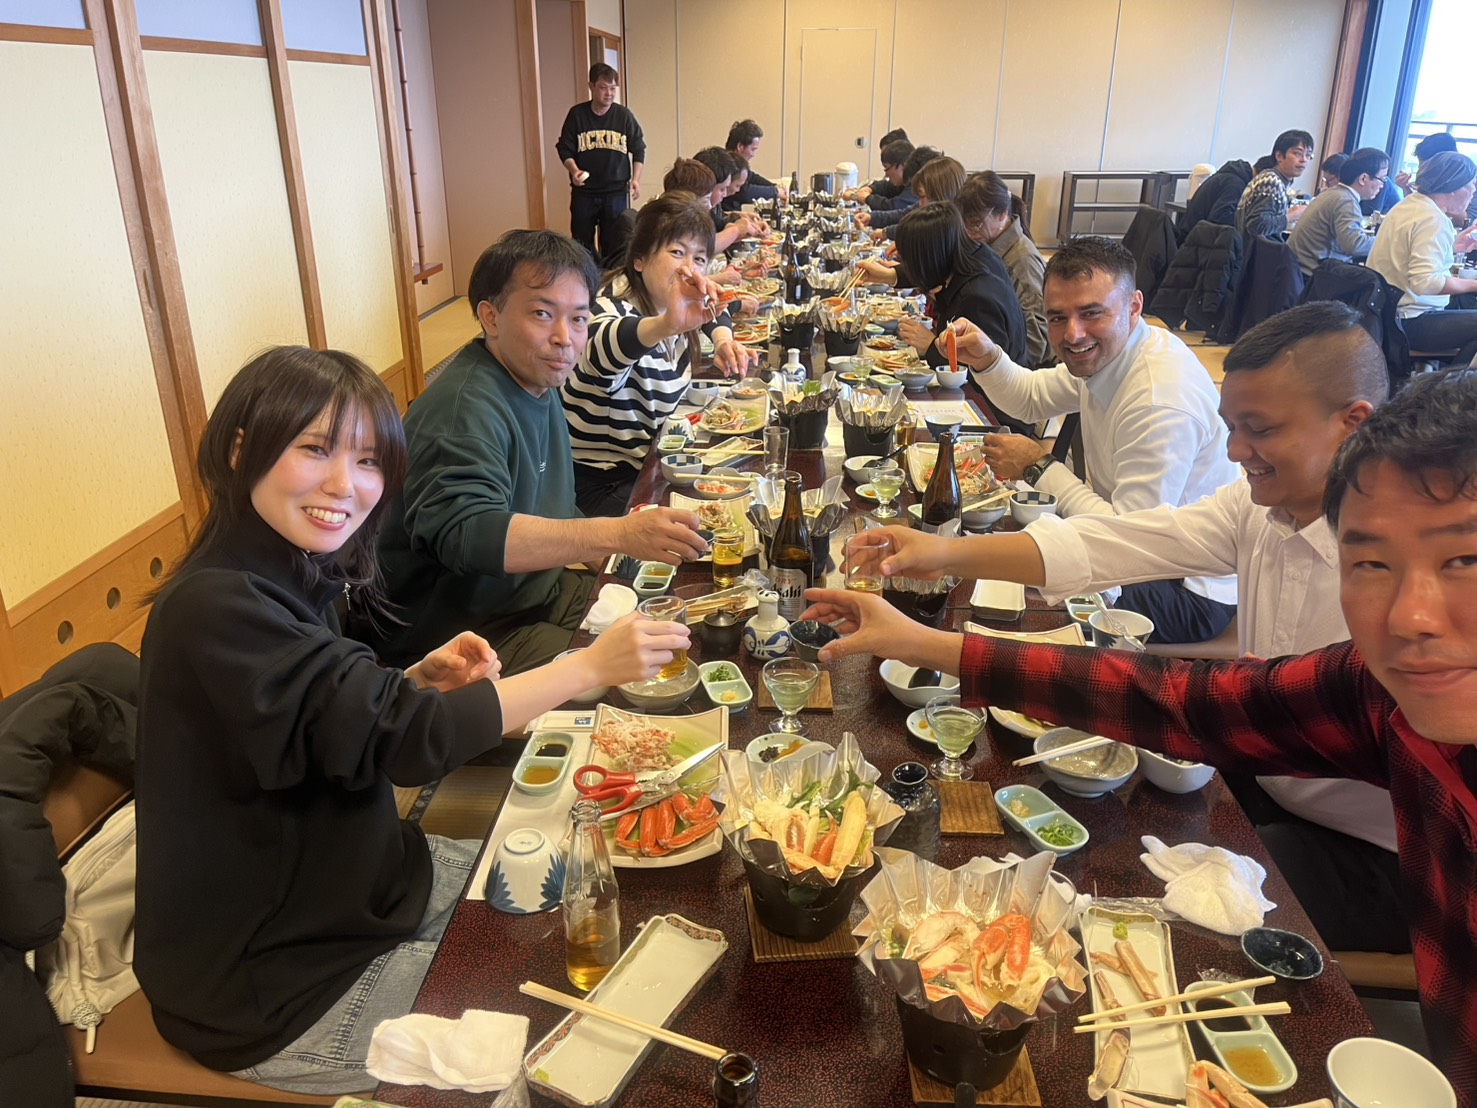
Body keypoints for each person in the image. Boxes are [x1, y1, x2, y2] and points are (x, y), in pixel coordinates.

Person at [803, 368, 1477, 1105]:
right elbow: (1176, 698)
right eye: (1372, 563)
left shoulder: (1159, 394)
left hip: (1357, 849)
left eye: (1463, 560)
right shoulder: (1379, 694)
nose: (1411, 616)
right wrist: (924, 641)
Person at [133, 346, 687, 1094]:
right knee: (577, 1049)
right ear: (240, 450)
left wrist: (408, 680)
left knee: (604, 900)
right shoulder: (214, 605)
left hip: (370, 886)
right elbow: (407, 744)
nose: (346, 485)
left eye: (368, 461)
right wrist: (587, 668)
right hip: (280, 982)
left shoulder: (284, 569)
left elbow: (320, 722)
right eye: (315, 449)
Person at [853, 302, 1404, 952]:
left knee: (1156, 914)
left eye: (1258, 430)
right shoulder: (1260, 504)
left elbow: (1197, 703)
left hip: (1372, 846)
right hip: (1253, 769)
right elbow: (1117, 542)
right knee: (1085, 841)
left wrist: (929, 643)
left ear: (1351, 424)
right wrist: (943, 552)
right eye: (1231, 428)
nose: (1233, 452)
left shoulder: (1398, 579)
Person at [374, 230, 707, 674]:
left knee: (680, 620)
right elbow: (470, 536)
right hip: (465, 638)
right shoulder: (462, 412)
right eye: (542, 313)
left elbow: (554, 507)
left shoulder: (538, 381)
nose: (564, 338)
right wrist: (618, 533)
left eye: (578, 319)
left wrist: (623, 555)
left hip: (535, 593)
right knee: (639, 678)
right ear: (491, 317)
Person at [948, 236, 1240, 642]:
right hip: (1135, 548)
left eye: (1091, 313)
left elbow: (1124, 543)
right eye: (1057, 318)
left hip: (1186, 588)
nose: (1073, 334)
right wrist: (987, 357)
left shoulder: (1159, 398)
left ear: (1133, 307)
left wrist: (1038, 466)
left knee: (1022, 595)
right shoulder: (1114, 352)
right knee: (997, 564)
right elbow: (1031, 398)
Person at [563, 194, 753, 515]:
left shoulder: (666, 302)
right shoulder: (609, 307)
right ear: (639, 259)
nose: (689, 269)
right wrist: (667, 325)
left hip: (650, 465)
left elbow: (715, 310)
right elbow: (603, 346)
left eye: (699, 258)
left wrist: (722, 340)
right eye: (677, 252)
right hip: (602, 487)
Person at [1367, 151, 1477, 367]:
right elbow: (1426, 283)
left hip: (1384, 315)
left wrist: (1452, 246)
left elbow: (1409, 254)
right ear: (1453, 186)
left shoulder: (1410, 205)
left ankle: (1443, 380)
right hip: (1409, 321)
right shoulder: (1433, 218)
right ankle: (1448, 385)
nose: (1473, 191)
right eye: (1471, 184)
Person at [892, 202, 1027, 371]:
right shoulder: (977, 255)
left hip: (994, 386)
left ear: (928, 259)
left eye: (907, 260)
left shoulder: (975, 299)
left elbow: (979, 371)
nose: (906, 266)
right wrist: (891, 275)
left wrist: (930, 345)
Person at [956, 170, 1049, 367]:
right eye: (965, 225)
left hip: (1018, 369)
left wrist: (991, 362)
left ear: (1002, 214)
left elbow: (1036, 343)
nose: (969, 234)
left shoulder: (1022, 261)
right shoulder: (989, 247)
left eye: (975, 224)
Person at [556, 63, 645, 263]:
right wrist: (574, 170)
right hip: (584, 192)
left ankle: (609, 278)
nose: (609, 93)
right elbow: (564, 148)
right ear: (592, 86)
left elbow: (639, 148)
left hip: (615, 192)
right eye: (603, 88)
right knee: (581, 243)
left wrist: (636, 179)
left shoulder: (624, 116)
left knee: (614, 242)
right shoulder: (577, 115)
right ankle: (586, 278)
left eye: (613, 88)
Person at [1288, 147, 1388, 277]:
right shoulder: (1346, 200)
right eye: (1382, 179)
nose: (1382, 185)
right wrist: (1387, 243)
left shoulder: (1332, 193)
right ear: (1363, 178)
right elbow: (1354, 245)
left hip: (1296, 270)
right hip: (1313, 276)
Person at [1235, 129, 1315, 239]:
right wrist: (1292, 215)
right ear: (1279, 156)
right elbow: (1257, 225)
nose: (1304, 160)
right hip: (1251, 249)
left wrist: (1287, 214)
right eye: (1298, 153)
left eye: (1308, 155)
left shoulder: (1276, 179)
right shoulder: (1271, 181)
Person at [857, 144, 940, 233]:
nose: (919, 201)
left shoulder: (943, 217)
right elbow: (904, 214)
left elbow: (915, 228)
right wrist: (872, 218)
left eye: (922, 195)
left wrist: (887, 232)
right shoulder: (929, 198)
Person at [1176, 158, 1254, 242]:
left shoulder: (1225, 176)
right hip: (1194, 242)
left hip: (1189, 235)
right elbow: (1220, 217)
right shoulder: (1236, 184)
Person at [723, 118, 782, 205]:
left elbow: (753, 177)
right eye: (753, 149)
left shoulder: (737, 164)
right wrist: (775, 191)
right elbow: (744, 192)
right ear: (740, 146)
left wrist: (774, 186)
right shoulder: (725, 164)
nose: (753, 155)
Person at [845, 128, 909, 203]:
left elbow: (893, 205)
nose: (886, 174)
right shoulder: (902, 181)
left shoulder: (914, 184)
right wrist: (868, 189)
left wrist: (866, 198)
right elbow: (887, 187)